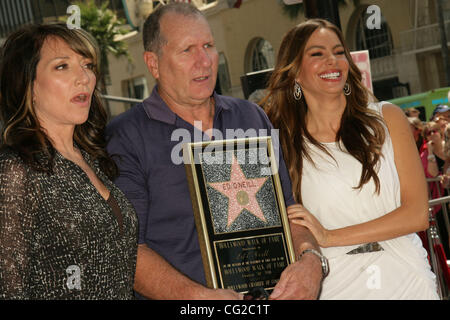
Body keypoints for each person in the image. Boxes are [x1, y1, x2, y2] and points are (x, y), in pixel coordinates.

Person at [106, 3, 323, 300]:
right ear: (153, 63)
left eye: (208, 45)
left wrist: (311, 261)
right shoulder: (126, 136)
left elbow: (289, 212)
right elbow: (128, 250)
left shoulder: (250, 117)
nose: (204, 61)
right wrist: (198, 298)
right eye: (187, 50)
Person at [262, 18, 439, 299]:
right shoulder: (282, 143)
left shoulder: (387, 118)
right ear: (294, 71)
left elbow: (417, 214)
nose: (332, 61)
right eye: (317, 54)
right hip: (336, 284)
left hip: (407, 279)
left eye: (339, 52)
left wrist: (330, 236)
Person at [0, 23, 138, 299]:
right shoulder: (15, 171)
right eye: (62, 66)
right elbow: (9, 288)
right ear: (28, 84)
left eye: (87, 65)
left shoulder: (92, 158)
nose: (84, 78)